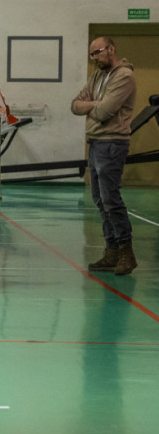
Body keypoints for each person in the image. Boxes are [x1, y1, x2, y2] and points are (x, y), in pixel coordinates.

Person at [71, 37, 137, 275]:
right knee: (100, 199)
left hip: (112, 143)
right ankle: (111, 251)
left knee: (111, 199)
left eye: (97, 52)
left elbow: (105, 111)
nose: (95, 58)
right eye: (91, 55)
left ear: (111, 50)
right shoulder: (98, 76)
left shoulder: (124, 77)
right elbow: (75, 104)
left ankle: (126, 252)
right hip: (96, 142)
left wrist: (92, 105)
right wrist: (93, 105)